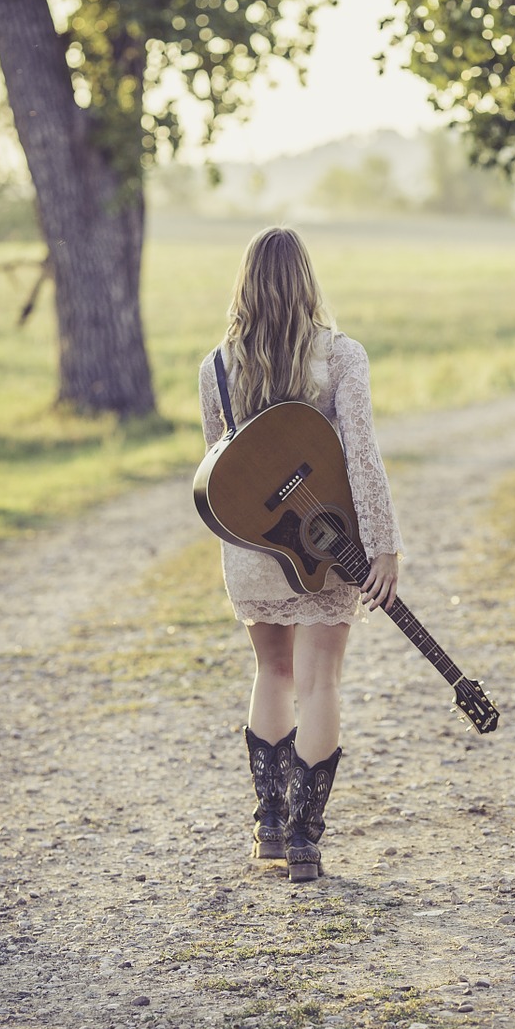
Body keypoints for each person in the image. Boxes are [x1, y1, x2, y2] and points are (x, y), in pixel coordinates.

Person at [198, 226, 403, 882]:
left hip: (254, 547)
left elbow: (219, 469)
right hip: (327, 541)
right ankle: (304, 839)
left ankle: (268, 833)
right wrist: (383, 547)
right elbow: (362, 457)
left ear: (246, 285)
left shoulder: (216, 367)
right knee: (319, 682)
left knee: (273, 675)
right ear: (306, 281)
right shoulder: (341, 356)